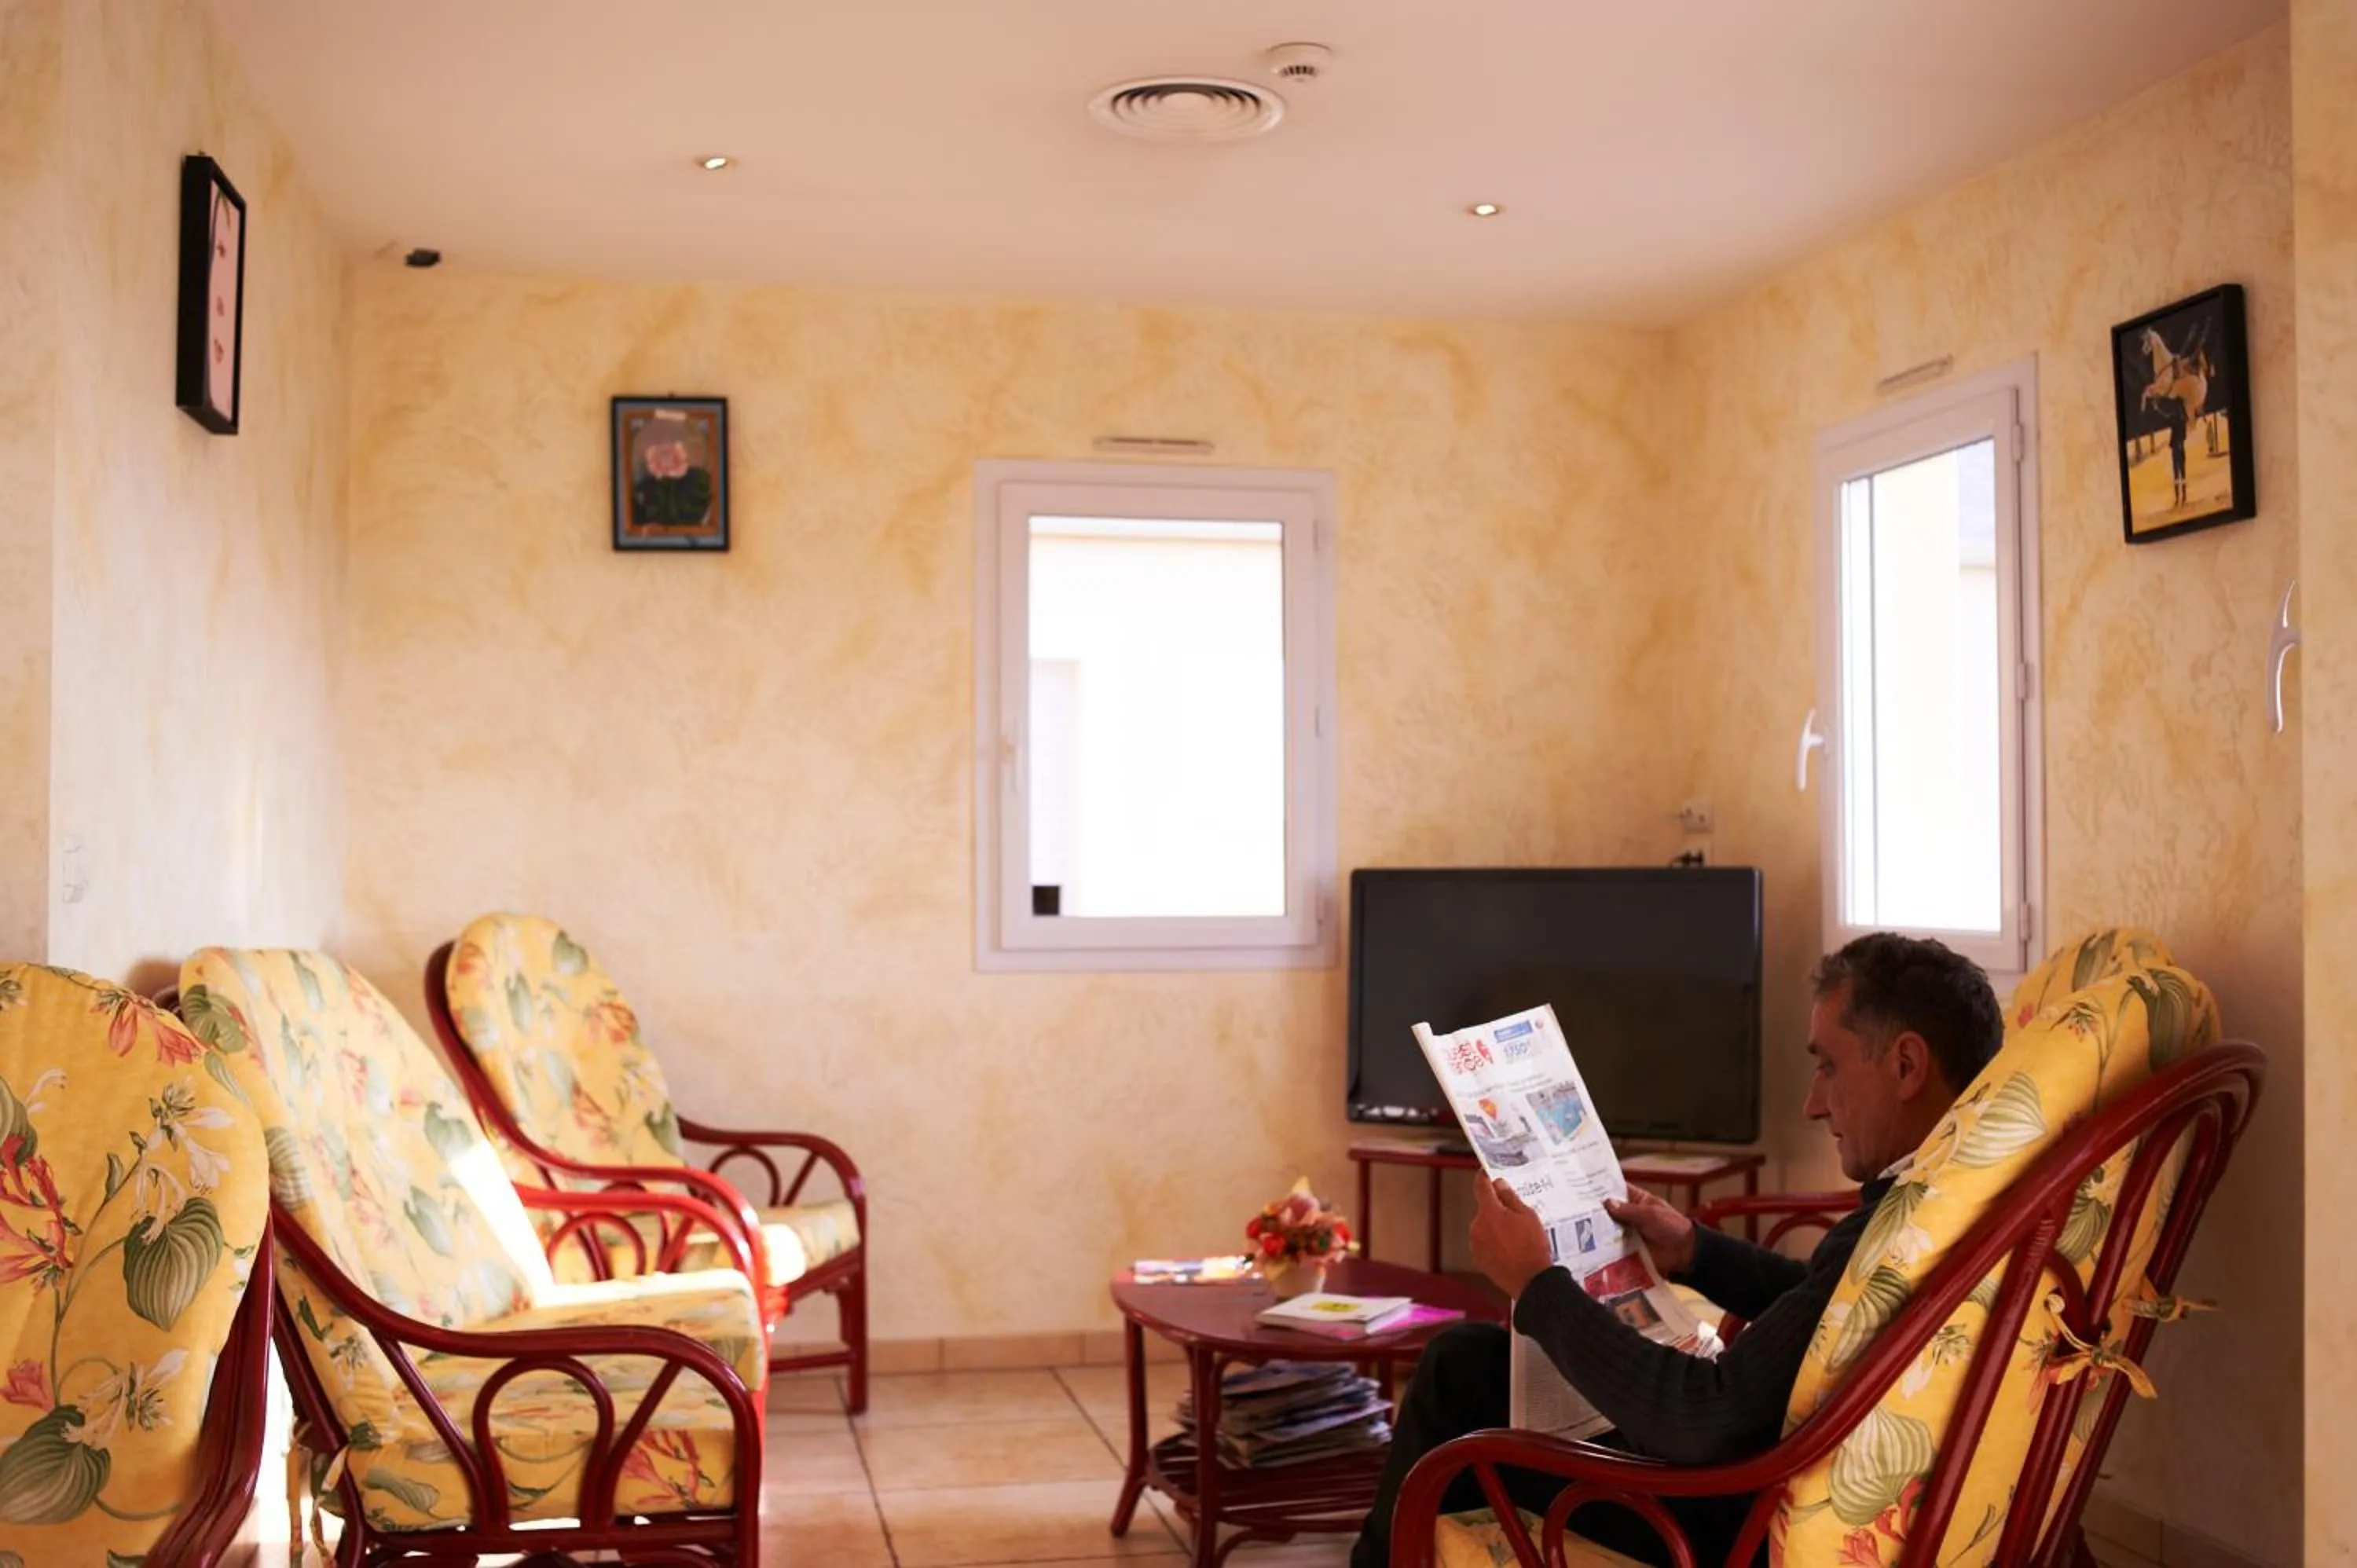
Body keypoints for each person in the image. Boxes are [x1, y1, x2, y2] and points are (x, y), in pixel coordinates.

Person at [1351, 932, 2003, 1568]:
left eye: (1828, 1064)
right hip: (1751, 1471)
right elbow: (1833, 1316)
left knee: (1457, 1376)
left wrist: (1539, 1284)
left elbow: (1703, 1417)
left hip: (1713, 1519)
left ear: (1907, 1065)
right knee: (1474, 1363)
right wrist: (1695, 1251)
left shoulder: (1897, 1225)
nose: (1811, 1102)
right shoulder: (1945, 1202)